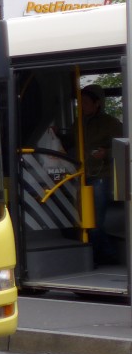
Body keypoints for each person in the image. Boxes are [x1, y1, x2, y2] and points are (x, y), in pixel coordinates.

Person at [57, 84, 123, 266]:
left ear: (97, 103)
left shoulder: (111, 123)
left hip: (102, 175)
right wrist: (57, 135)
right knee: (80, 221)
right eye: (80, 102)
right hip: (80, 175)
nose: (82, 106)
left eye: (85, 102)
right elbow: (71, 141)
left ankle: (109, 256)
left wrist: (106, 153)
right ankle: (98, 256)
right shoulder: (78, 122)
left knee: (94, 223)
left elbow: (125, 147)